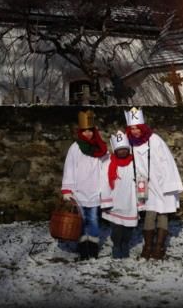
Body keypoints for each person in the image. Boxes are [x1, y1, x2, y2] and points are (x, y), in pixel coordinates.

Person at [125, 106, 183, 260]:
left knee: (163, 212)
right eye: (132, 129)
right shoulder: (130, 143)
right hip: (144, 183)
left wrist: (168, 183)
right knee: (150, 213)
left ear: (142, 127)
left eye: (137, 128)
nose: (135, 131)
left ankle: (159, 246)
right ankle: (148, 245)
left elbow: (167, 161)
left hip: (160, 181)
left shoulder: (155, 139)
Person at [61, 109, 108, 260]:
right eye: (85, 131)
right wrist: (67, 189)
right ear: (81, 132)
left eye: (90, 131)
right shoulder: (75, 148)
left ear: (94, 131)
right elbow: (69, 168)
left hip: (95, 191)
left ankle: (93, 250)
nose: (88, 134)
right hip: (79, 191)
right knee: (81, 222)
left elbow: (106, 167)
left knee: (93, 220)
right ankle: (83, 250)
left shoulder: (99, 148)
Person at [100, 130, 142, 259]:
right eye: (120, 149)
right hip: (115, 202)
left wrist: (142, 201)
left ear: (128, 149)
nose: (122, 151)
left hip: (131, 202)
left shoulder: (135, 163)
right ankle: (117, 246)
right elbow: (104, 182)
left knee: (129, 229)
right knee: (117, 229)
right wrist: (106, 201)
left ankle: (125, 244)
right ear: (115, 150)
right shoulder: (108, 163)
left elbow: (142, 179)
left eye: (125, 149)